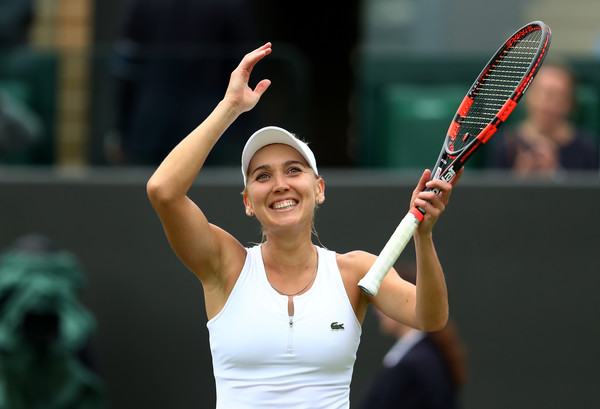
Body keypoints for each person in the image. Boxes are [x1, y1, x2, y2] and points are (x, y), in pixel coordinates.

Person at [146, 43, 461, 409]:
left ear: (319, 189)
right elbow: (163, 190)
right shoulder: (224, 264)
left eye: (294, 170)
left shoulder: (355, 271)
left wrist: (424, 235)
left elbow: (430, 316)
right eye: (263, 176)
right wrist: (230, 107)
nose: (280, 183)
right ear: (248, 202)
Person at [359, 264, 467, 409]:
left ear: (407, 303)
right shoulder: (425, 356)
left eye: (386, 298)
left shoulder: (414, 364)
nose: (378, 309)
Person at [487, 61, 599, 176]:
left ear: (570, 103)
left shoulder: (586, 148)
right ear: (528, 97)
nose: (548, 104)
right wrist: (519, 177)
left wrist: (556, 173)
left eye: (558, 97)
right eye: (542, 94)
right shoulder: (506, 144)